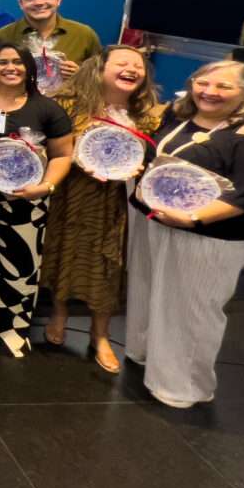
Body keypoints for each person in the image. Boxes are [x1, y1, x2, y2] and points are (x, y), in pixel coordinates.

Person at [125, 60, 244, 408]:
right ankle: (146, 356)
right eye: (203, 82)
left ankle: (182, 385)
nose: (209, 91)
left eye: (223, 86)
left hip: (207, 235)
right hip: (155, 221)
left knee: (193, 310)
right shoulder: (178, 115)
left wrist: (194, 218)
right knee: (149, 293)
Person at [39, 45, 163, 374]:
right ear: (100, 68)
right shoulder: (68, 104)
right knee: (64, 252)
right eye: (122, 63)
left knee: (109, 263)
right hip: (71, 192)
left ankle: (101, 335)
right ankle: (59, 315)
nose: (131, 69)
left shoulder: (147, 115)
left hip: (115, 201)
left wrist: (141, 167)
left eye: (138, 65)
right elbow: (49, 147)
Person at [0, 44, 74, 358]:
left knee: (18, 262)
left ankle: (8, 327)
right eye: (3, 62)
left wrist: (46, 187)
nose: (11, 67)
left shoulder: (47, 108)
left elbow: (63, 155)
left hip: (26, 198)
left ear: (29, 68)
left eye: (18, 62)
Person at [0, 0, 102, 84]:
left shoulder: (84, 35)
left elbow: (102, 78)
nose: (39, 2)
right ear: (21, 3)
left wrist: (81, 75)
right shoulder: (2, 36)